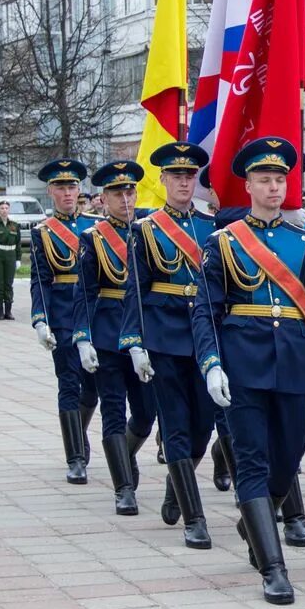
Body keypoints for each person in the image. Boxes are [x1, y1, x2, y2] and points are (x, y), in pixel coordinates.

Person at [191, 137, 305, 605]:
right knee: (251, 460)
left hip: (294, 366)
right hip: (244, 364)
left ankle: (255, 520)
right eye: (265, 179)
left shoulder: (303, 242)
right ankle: (273, 568)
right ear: (248, 185)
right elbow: (207, 311)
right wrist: (211, 364)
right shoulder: (224, 243)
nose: (274, 187)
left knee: (290, 458)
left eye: (280, 179)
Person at [118, 142, 219, 549]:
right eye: (176, 175)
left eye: (189, 175)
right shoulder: (145, 229)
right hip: (163, 337)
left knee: (203, 430)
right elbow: (134, 290)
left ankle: (177, 487)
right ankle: (195, 519)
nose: (183, 181)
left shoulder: (213, 228)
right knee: (175, 426)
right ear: (162, 180)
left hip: (203, 339)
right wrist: (135, 342)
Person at [74, 161, 157, 517]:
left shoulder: (148, 231)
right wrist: (82, 337)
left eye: (130, 191)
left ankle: (124, 453)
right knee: (112, 408)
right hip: (108, 333)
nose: (125, 199)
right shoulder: (93, 238)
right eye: (117, 193)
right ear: (103, 198)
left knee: (145, 414)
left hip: (144, 333)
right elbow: (85, 292)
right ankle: (123, 486)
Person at [31, 160, 101, 484]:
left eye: (72, 186)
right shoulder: (42, 232)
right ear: (50, 192)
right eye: (60, 187)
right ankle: (75, 457)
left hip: (96, 315)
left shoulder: (97, 226)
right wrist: (39, 319)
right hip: (62, 315)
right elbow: (40, 280)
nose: (67, 193)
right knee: (68, 385)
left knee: (93, 389)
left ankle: (79, 431)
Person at [0, 202, 20, 320]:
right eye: (2, 208)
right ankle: (0, 312)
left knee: (8, 283)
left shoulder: (15, 225)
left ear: (9, 210)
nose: (4, 210)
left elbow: (18, 243)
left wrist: (18, 258)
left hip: (10, 255)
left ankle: (8, 311)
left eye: (6, 208)